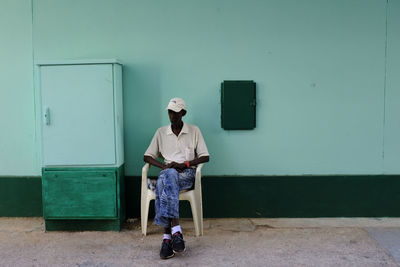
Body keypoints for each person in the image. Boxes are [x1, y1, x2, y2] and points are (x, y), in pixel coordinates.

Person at [143, 97, 210, 259]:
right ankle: (175, 232)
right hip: (167, 172)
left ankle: (167, 238)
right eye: (170, 112)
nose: (172, 115)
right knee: (168, 176)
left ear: (183, 113)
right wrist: (163, 166)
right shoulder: (161, 132)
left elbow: (205, 156)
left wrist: (185, 165)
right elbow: (147, 156)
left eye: (176, 112)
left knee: (162, 183)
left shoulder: (194, 131)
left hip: (187, 174)